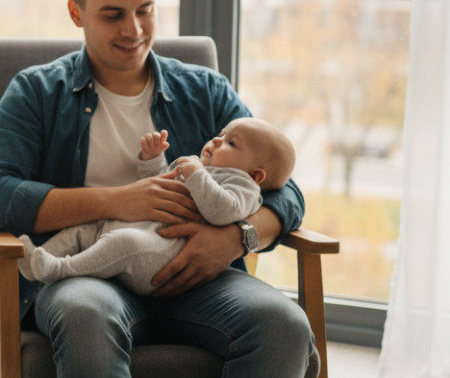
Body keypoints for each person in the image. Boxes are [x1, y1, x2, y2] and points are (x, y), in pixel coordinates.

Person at [0, 0, 314, 378]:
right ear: (77, 12)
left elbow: (284, 190)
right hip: (90, 274)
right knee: (83, 316)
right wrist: (116, 201)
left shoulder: (203, 90)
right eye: (113, 15)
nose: (134, 30)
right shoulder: (37, 91)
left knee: (285, 328)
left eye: (145, 10)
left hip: (195, 272)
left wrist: (237, 239)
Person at [17, 117, 296, 296]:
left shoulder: (244, 186)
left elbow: (222, 211)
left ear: (257, 175)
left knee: (123, 242)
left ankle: (59, 269)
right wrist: (153, 161)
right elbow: (158, 186)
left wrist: (197, 173)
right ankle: (37, 263)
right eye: (221, 134)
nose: (216, 140)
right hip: (143, 232)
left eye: (231, 143)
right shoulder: (199, 166)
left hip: (161, 257)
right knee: (86, 229)